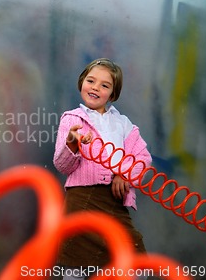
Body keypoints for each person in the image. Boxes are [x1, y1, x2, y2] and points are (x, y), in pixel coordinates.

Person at [53, 58, 151, 279]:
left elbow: (142, 157)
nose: (96, 87)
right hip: (82, 200)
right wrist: (71, 143)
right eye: (91, 81)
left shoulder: (124, 124)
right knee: (76, 266)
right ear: (81, 83)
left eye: (105, 85)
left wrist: (124, 174)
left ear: (113, 94)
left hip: (114, 200)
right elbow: (61, 165)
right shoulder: (72, 119)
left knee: (136, 265)